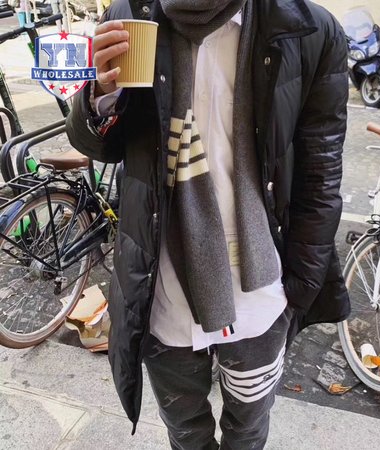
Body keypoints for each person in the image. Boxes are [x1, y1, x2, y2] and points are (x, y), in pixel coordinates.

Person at [66, 0, 350, 448]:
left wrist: (301, 287)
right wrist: (100, 95)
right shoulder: (131, 15)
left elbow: (321, 174)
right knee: (185, 432)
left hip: (261, 294)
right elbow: (101, 146)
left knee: (248, 428)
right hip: (163, 288)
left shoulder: (311, 30)